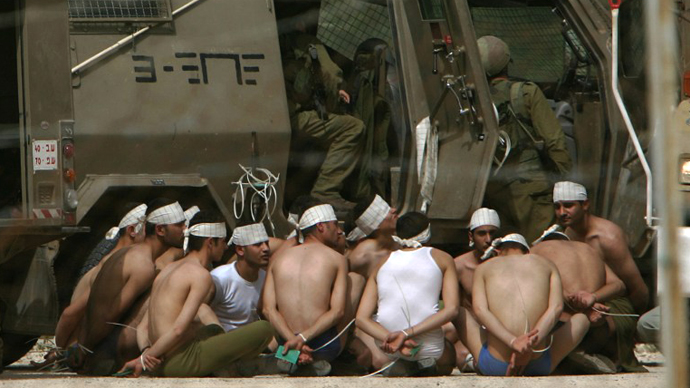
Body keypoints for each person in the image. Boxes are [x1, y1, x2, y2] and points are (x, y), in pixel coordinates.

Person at [119, 211, 274, 377]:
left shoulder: (168, 269)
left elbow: (143, 326)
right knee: (264, 329)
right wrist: (144, 359)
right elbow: (178, 329)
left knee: (208, 323)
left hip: (159, 360)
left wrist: (147, 352)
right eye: (222, 241)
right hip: (181, 362)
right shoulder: (200, 275)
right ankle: (236, 366)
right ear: (210, 242)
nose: (226, 247)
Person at [68, 199, 186, 375]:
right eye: (179, 225)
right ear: (160, 230)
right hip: (105, 354)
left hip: (96, 345)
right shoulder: (143, 266)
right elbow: (109, 315)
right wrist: (86, 351)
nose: (185, 230)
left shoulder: (129, 254)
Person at [478, 35, 572, 243]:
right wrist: (566, 182)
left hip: (491, 186)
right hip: (530, 187)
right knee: (541, 246)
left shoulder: (473, 99)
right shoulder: (526, 92)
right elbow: (554, 140)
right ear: (507, 62)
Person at [552, 181, 649, 372]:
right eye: (557, 206)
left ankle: (610, 352)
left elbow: (637, 289)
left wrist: (631, 331)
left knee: (596, 322)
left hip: (615, 301)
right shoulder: (568, 233)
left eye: (569, 205)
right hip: (582, 299)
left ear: (585, 205)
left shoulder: (608, 238)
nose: (562, 212)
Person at [356, 212, 458, 376]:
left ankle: (401, 363)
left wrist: (392, 338)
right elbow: (452, 309)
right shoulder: (443, 258)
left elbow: (361, 319)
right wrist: (405, 334)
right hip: (429, 347)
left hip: (389, 346)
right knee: (449, 355)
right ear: (428, 232)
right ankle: (421, 366)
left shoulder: (381, 263)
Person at [472, 233, 590, 376]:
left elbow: (480, 311)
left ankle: (470, 360)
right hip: (537, 364)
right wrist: (529, 346)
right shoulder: (547, 264)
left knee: (460, 313)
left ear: (498, 251)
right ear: (527, 251)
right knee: (582, 319)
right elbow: (556, 308)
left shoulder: (483, 268)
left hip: (497, 365)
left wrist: (514, 342)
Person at [281, 18, 366, 211]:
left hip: (276, 116)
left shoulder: (277, 42)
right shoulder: (306, 42)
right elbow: (331, 73)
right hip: (291, 117)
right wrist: (334, 100)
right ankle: (325, 191)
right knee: (353, 127)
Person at [51, 203, 147, 361]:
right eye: (146, 229)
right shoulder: (112, 265)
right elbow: (70, 314)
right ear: (132, 230)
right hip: (80, 348)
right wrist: (61, 353)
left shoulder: (122, 261)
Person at [262, 203, 349, 376]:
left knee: (275, 315)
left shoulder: (279, 259)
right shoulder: (337, 259)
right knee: (356, 282)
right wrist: (302, 339)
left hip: (285, 343)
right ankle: (319, 359)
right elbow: (338, 312)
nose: (338, 231)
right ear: (321, 226)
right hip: (324, 344)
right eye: (335, 225)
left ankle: (292, 356)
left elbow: (267, 309)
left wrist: (293, 340)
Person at [451, 207, 501, 371]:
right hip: (473, 330)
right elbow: (453, 309)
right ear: (471, 236)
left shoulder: (508, 264)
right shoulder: (459, 266)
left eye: (492, 233)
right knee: (456, 348)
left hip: (503, 329)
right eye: (482, 233)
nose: (488, 239)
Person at [211, 223, 270, 332]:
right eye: (257, 244)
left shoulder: (266, 278)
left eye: (267, 243)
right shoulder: (220, 278)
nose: (266, 248)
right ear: (240, 250)